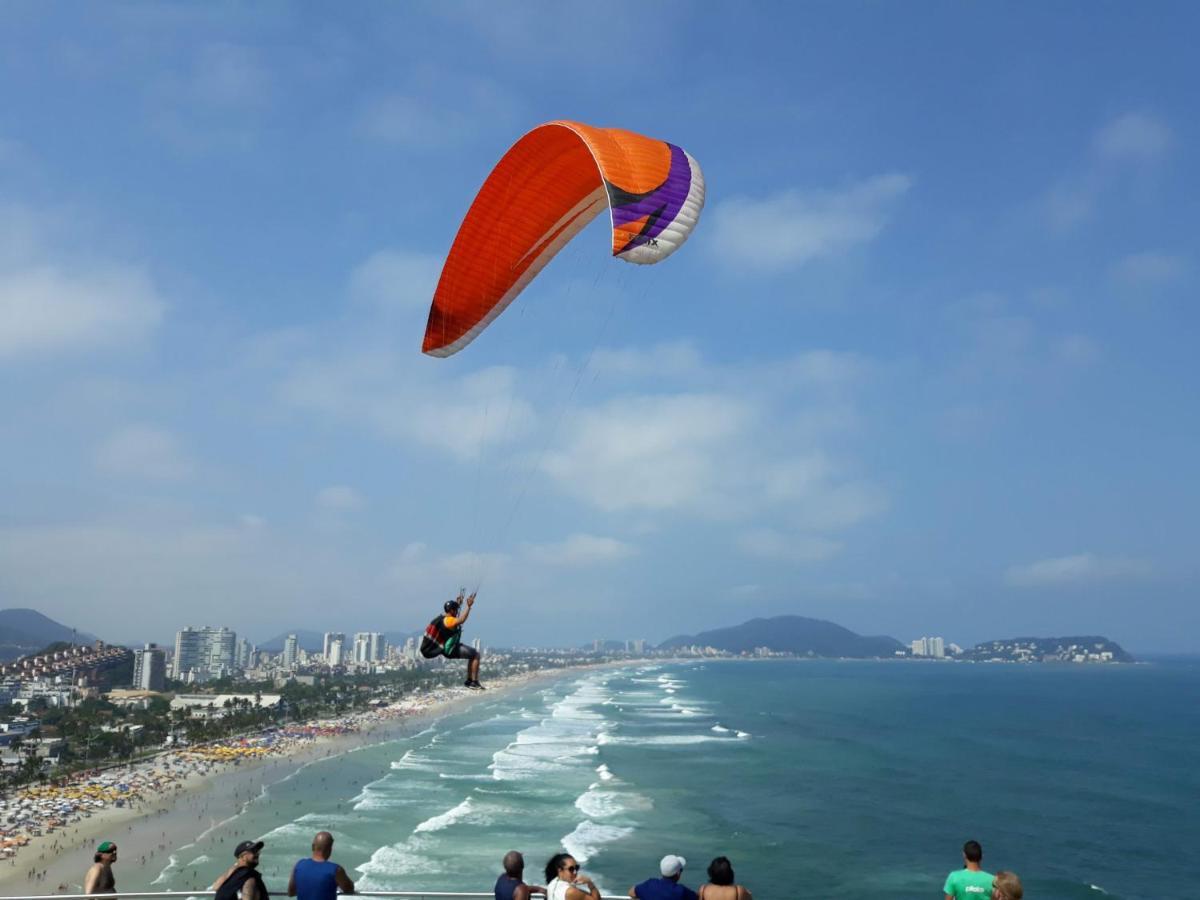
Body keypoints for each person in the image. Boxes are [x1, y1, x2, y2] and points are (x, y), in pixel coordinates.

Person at [421, 589, 484, 688]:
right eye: (455, 609)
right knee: (476, 654)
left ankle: (469, 680)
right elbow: (461, 619)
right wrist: (469, 606)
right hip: (450, 649)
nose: (457, 611)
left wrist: (458, 603)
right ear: (451, 611)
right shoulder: (449, 620)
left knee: (472, 655)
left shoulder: (444, 617)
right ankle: (474, 681)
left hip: (449, 648)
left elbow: (454, 614)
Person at [288, 832, 355, 900]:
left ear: (312, 847)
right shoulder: (336, 870)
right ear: (330, 850)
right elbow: (349, 889)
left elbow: (291, 893)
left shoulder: (299, 865)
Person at [629, 855, 697, 900]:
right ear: (678, 873)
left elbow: (631, 892)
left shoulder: (650, 884)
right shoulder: (681, 891)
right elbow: (697, 897)